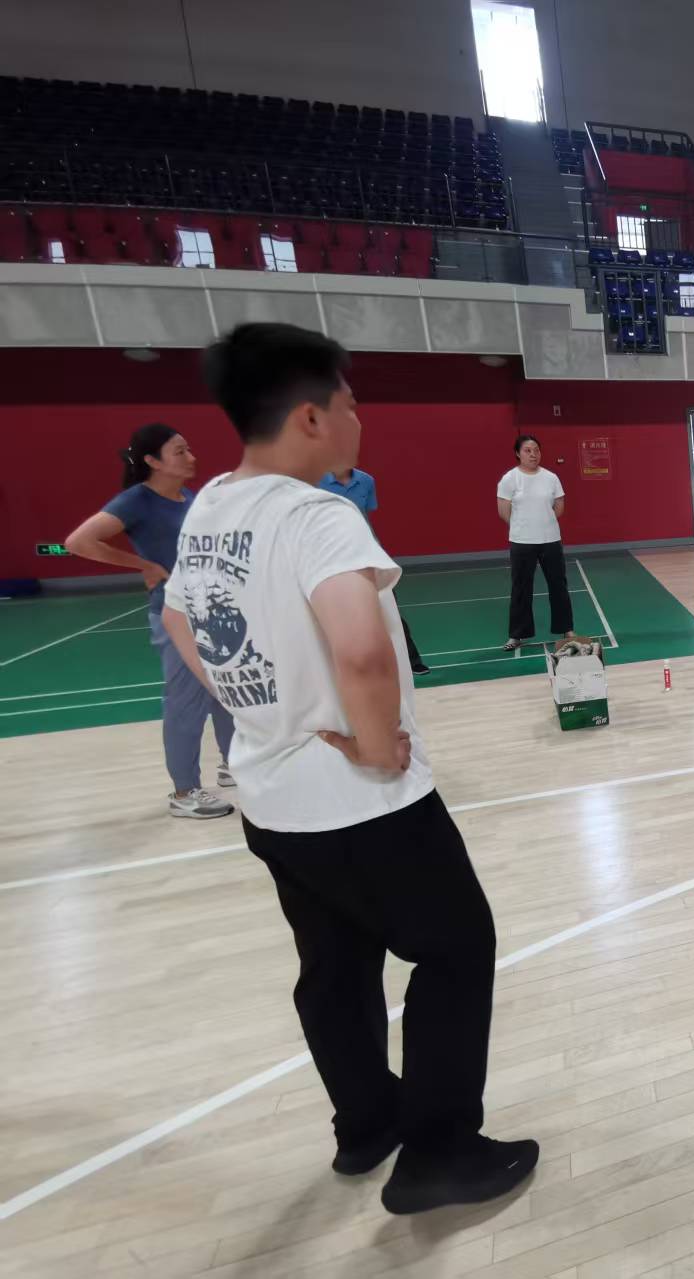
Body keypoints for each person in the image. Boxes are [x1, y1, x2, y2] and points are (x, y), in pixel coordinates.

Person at [162, 322, 536, 1214]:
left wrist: (256, 705)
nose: (359, 419)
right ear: (310, 417)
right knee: (456, 948)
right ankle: (439, 1154)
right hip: (361, 801)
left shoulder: (211, 504)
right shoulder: (318, 516)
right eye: (351, 403)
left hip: (271, 799)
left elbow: (178, 618)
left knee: (333, 965)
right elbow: (363, 650)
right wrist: (373, 744)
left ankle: (368, 1124)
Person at [65, 423, 235, 820]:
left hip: (210, 610)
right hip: (175, 616)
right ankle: (185, 791)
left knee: (224, 693)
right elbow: (78, 542)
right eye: (180, 451)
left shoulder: (188, 497)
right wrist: (143, 565)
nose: (191, 458)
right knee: (185, 702)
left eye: (189, 449)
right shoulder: (136, 501)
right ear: (152, 461)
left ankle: (234, 763)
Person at [319, 466, 429, 675]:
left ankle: (412, 660)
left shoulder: (366, 481)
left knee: (389, 608)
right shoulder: (316, 480)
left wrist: (374, 548)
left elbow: (365, 517)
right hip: (331, 555)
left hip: (366, 552)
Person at [496, 434, 574, 651]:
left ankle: (566, 629)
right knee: (521, 588)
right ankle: (516, 635)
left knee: (558, 585)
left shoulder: (551, 477)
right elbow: (504, 512)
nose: (533, 454)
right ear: (518, 453)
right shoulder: (509, 479)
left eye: (536, 450)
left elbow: (559, 506)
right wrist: (524, 526)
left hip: (550, 540)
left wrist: (543, 523)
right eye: (528, 450)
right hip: (522, 542)